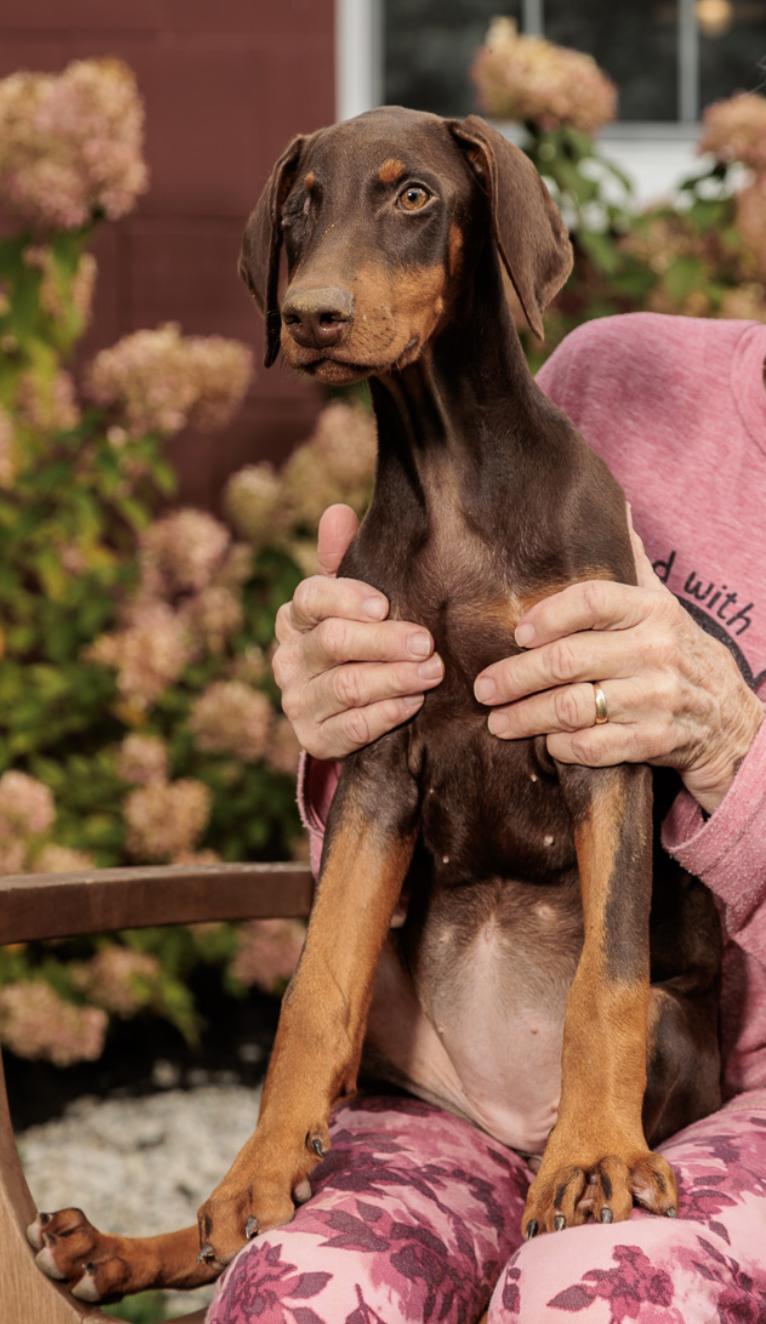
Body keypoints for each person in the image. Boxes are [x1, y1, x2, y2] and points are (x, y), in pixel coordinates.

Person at [207, 312, 766, 1323]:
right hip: (460, 1051)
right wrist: (348, 698)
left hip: (716, 1088)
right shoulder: (609, 373)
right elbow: (443, 760)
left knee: (598, 1298)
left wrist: (730, 739)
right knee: (302, 1296)